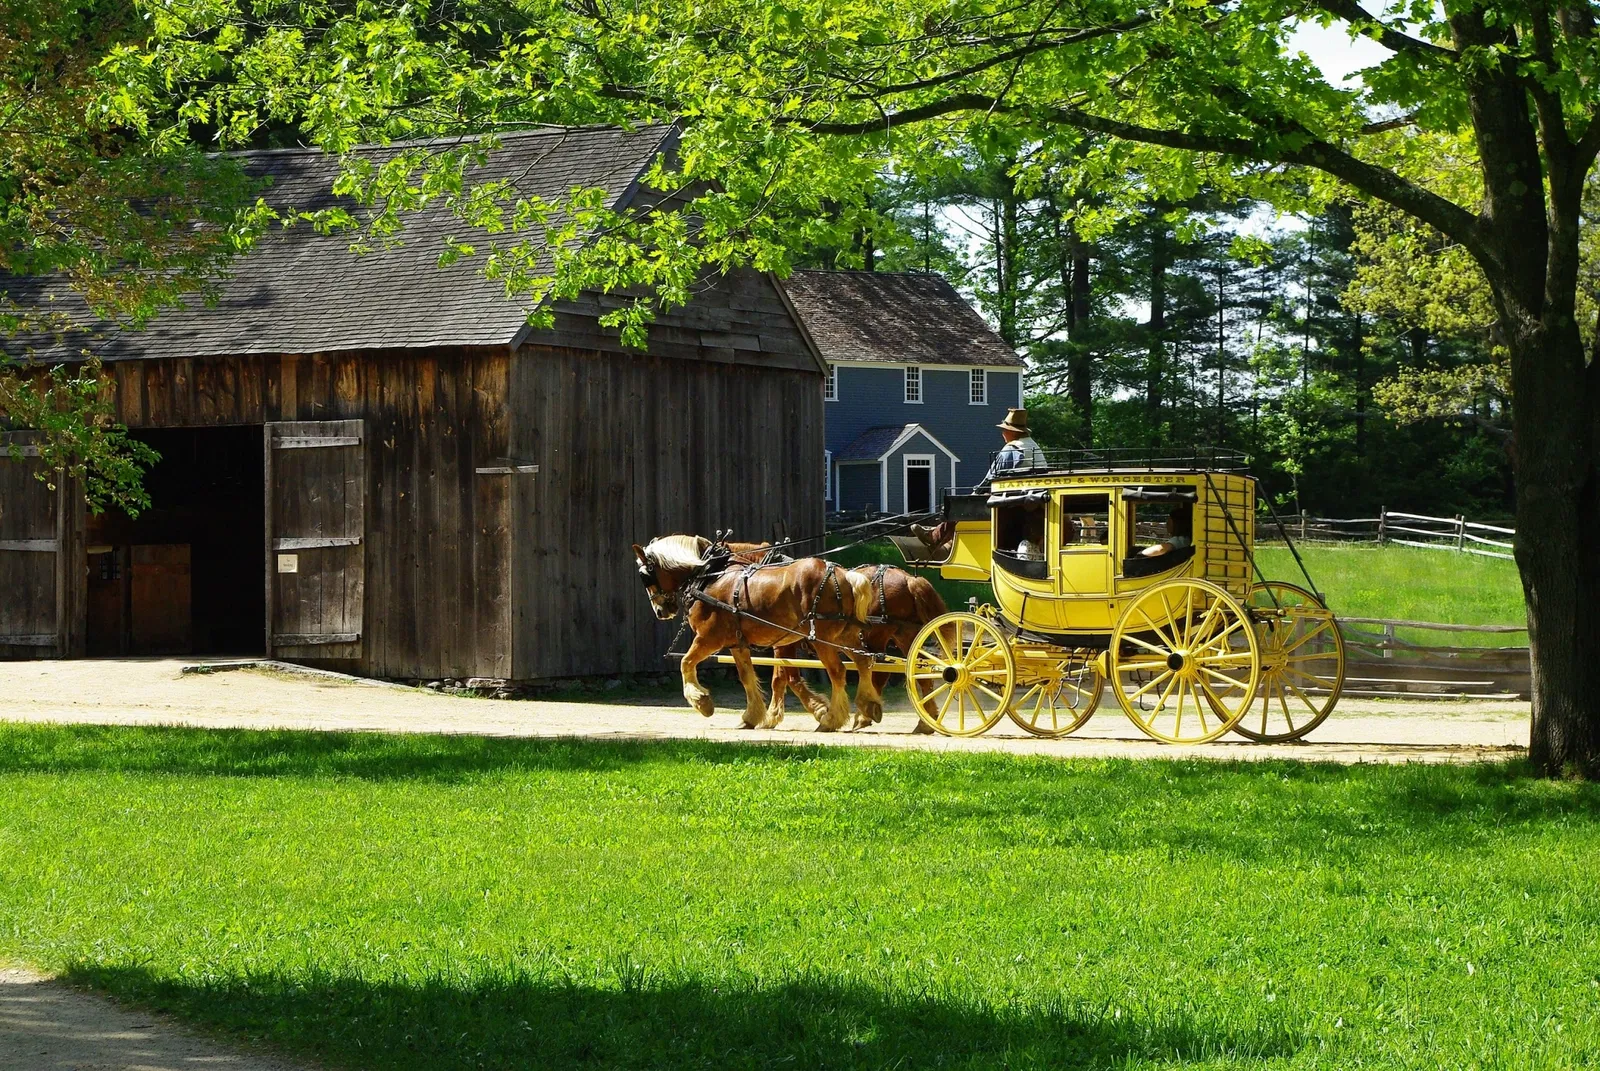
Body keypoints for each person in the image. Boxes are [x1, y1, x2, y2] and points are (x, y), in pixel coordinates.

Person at [911, 409, 1048, 551]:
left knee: (963, 506)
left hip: (1012, 498)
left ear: (1013, 432)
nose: (1003, 434)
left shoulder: (1011, 449)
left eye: (1004, 430)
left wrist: (975, 493)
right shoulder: (1033, 446)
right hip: (1030, 496)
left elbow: (991, 477)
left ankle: (935, 537)